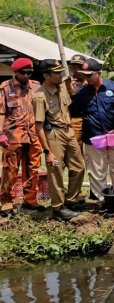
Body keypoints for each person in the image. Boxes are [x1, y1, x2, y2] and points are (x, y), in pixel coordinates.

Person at [32, 59, 85, 220]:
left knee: (79, 166)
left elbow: (71, 93)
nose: (61, 74)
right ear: (46, 75)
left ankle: (71, 200)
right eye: (56, 72)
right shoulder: (40, 96)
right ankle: (58, 208)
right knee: (56, 170)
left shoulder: (62, 87)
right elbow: (39, 126)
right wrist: (47, 151)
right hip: (53, 134)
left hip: (68, 131)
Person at [71, 58, 114, 204]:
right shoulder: (82, 93)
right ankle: (102, 200)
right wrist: (72, 94)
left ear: (99, 73)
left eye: (90, 75)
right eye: (85, 75)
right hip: (94, 137)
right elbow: (74, 113)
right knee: (97, 170)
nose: (87, 78)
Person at [0, 58, 43, 215]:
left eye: (29, 72)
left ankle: (30, 200)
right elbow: (1, 112)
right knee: (9, 170)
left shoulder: (37, 87)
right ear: (15, 72)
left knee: (33, 169)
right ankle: (6, 201)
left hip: (33, 135)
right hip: (12, 136)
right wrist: (0, 133)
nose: (26, 75)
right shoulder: (5, 87)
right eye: (23, 72)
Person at [67, 54, 87, 148]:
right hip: (75, 120)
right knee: (76, 148)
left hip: (90, 119)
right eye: (74, 67)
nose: (77, 70)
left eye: (80, 67)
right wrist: (71, 92)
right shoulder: (67, 84)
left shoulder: (91, 82)